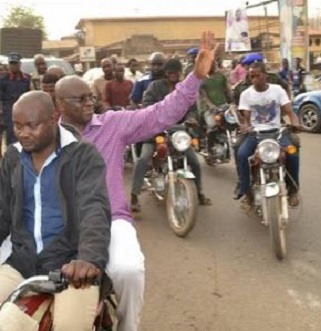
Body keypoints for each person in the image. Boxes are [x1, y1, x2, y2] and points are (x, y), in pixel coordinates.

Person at [52, 31, 217, 331]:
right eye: (81, 99)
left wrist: (195, 77)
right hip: (57, 224)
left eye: (91, 97)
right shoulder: (47, 138)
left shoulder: (112, 124)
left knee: (128, 271)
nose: (90, 103)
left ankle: (128, 326)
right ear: (59, 103)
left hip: (111, 219)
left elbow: (162, 113)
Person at [0, 91, 110, 331]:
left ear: (55, 118)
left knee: (68, 327)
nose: (23, 133)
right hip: (22, 264)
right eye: (17, 126)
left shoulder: (83, 155)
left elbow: (93, 208)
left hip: (69, 268)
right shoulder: (13, 157)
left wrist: (87, 259)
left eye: (32, 126)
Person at [131, 58, 212, 208]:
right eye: (170, 72)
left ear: (180, 73)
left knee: (194, 161)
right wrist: (156, 120)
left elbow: (192, 109)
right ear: (165, 73)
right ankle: (134, 196)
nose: (173, 75)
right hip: (156, 130)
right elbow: (147, 105)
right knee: (143, 159)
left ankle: (199, 193)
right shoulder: (154, 87)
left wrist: (191, 119)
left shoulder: (186, 89)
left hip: (178, 131)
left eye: (176, 72)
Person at [236, 62, 302, 207]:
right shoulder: (246, 94)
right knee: (241, 154)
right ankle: (246, 192)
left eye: (257, 76)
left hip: (277, 133)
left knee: (293, 152)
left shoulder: (277, 90)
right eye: (251, 76)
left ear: (265, 75)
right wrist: (245, 127)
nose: (254, 79)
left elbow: (290, 111)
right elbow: (245, 118)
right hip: (255, 134)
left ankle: (293, 190)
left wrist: (295, 123)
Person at [0, 52, 31, 144]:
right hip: (9, 111)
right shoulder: (3, 79)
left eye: (15, 63)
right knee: (12, 134)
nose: (13, 66)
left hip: (24, 110)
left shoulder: (27, 78)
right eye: (11, 64)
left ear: (19, 64)